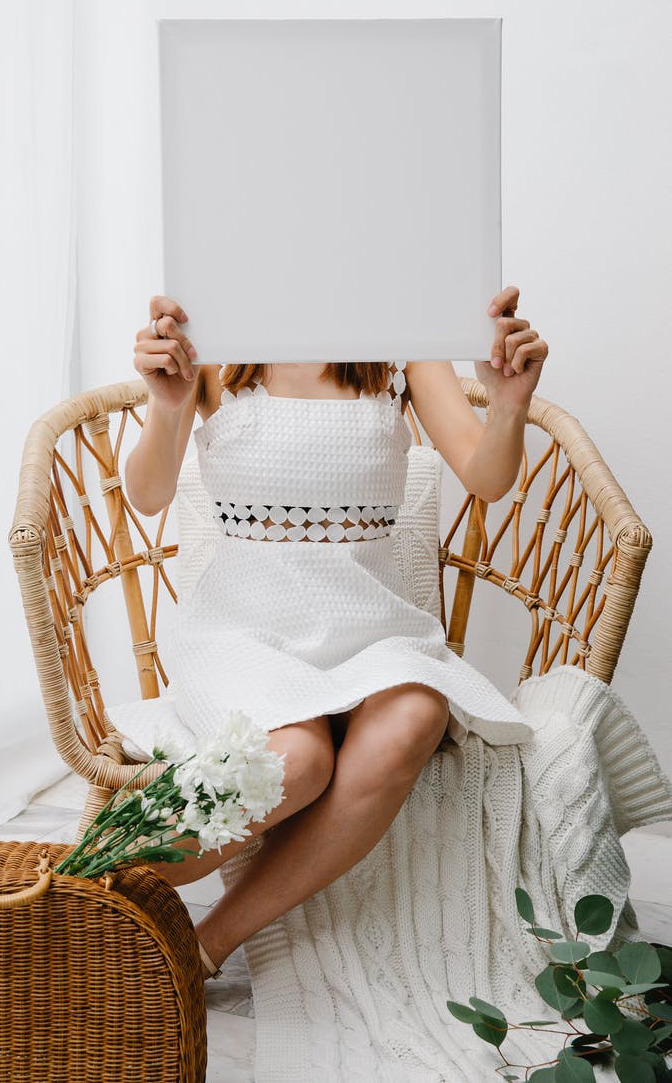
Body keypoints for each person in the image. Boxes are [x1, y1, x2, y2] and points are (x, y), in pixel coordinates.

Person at [124, 287, 549, 983]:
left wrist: (508, 403)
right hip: (242, 625)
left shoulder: (397, 344)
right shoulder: (214, 338)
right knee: (298, 759)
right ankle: (84, 889)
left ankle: (200, 949)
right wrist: (168, 404)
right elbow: (147, 495)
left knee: (416, 711)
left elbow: (486, 475)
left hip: (368, 623)